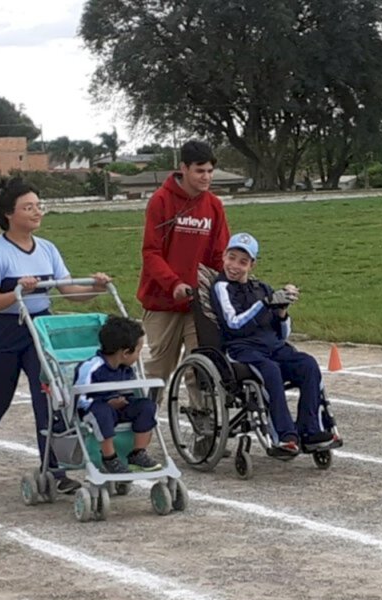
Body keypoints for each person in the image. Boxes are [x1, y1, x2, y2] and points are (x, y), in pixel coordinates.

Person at [0, 176, 112, 490]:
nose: (36, 212)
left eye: (38, 206)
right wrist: (17, 292)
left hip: (39, 330)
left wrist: (95, 287)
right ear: (8, 214)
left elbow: (69, 291)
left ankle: (55, 471)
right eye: (27, 207)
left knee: (51, 399)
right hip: (2, 331)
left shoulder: (48, 250)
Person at [210, 232, 336, 456]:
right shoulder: (222, 287)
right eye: (232, 258)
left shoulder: (263, 288)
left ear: (252, 264)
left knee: (308, 364)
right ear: (224, 256)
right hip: (243, 350)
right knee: (270, 371)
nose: (235, 266)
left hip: (274, 348)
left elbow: (283, 334)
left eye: (243, 261)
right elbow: (233, 323)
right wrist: (264, 304)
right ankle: (285, 436)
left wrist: (282, 311)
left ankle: (310, 430)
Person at [138, 140, 230, 395]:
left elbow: (218, 253)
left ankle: (205, 427)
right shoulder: (161, 201)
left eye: (210, 171)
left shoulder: (214, 206)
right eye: (200, 171)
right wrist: (173, 283)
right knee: (159, 368)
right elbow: (151, 252)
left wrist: (221, 285)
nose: (206, 177)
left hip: (197, 301)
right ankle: (144, 425)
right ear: (184, 168)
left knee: (200, 367)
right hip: (163, 301)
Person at [73, 316, 162, 474]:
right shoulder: (92, 367)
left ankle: (137, 453)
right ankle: (109, 457)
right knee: (102, 412)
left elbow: (130, 392)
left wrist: (126, 401)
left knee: (147, 406)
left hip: (120, 407)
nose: (138, 357)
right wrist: (107, 403)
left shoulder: (126, 368)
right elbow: (80, 397)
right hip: (95, 409)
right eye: (138, 352)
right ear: (126, 353)